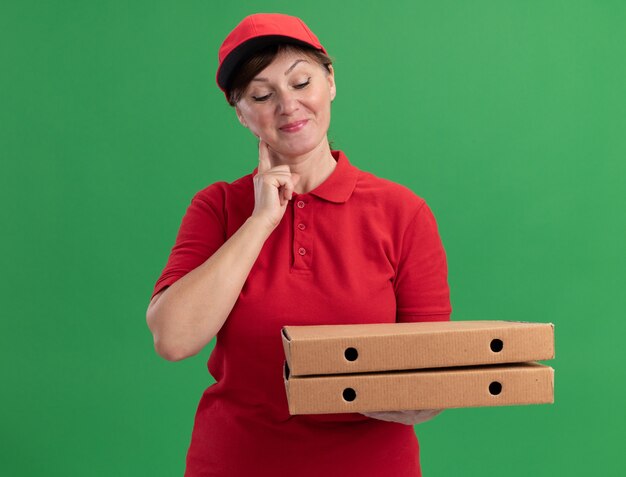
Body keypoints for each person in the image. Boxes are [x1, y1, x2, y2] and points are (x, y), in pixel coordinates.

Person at [146, 13, 452, 477]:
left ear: (330, 82)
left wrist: (390, 398)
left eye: (301, 81)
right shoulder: (219, 208)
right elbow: (173, 338)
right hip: (235, 463)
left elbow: (434, 375)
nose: (288, 106)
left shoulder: (402, 212)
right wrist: (261, 220)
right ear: (242, 114)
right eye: (263, 95)